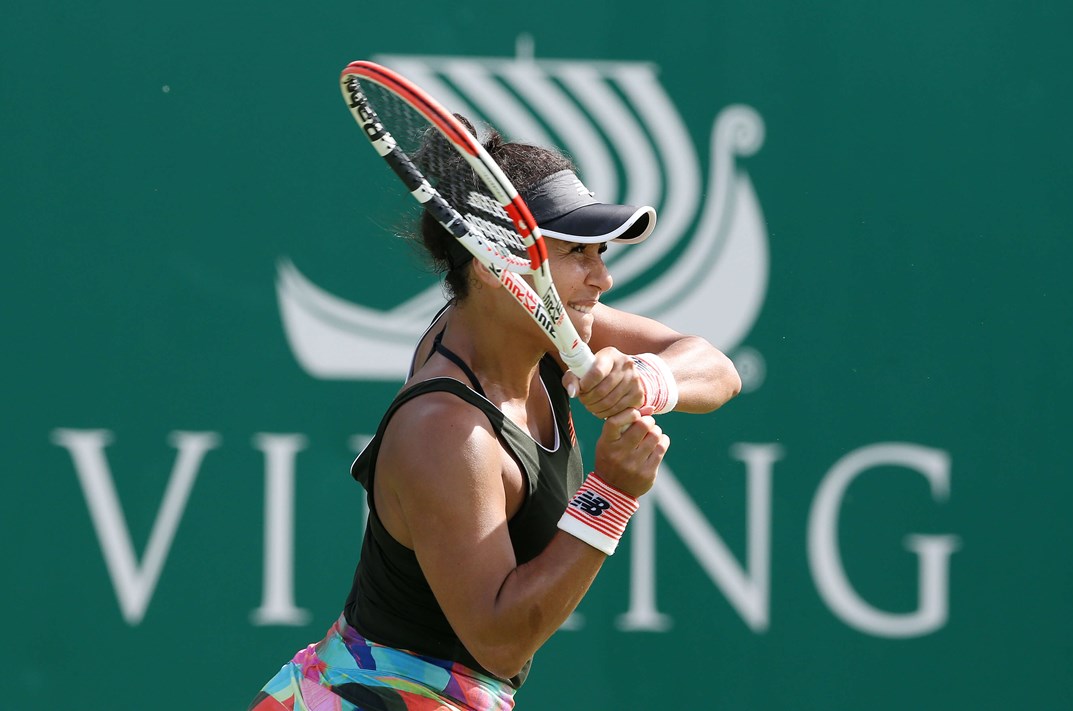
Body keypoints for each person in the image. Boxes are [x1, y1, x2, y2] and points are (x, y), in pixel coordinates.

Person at [249, 122, 742, 711]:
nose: (602, 278)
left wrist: (646, 381)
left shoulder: (530, 329)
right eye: (574, 253)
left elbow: (717, 370)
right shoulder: (446, 429)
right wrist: (611, 492)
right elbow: (499, 642)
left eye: (600, 252)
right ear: (492, 265)